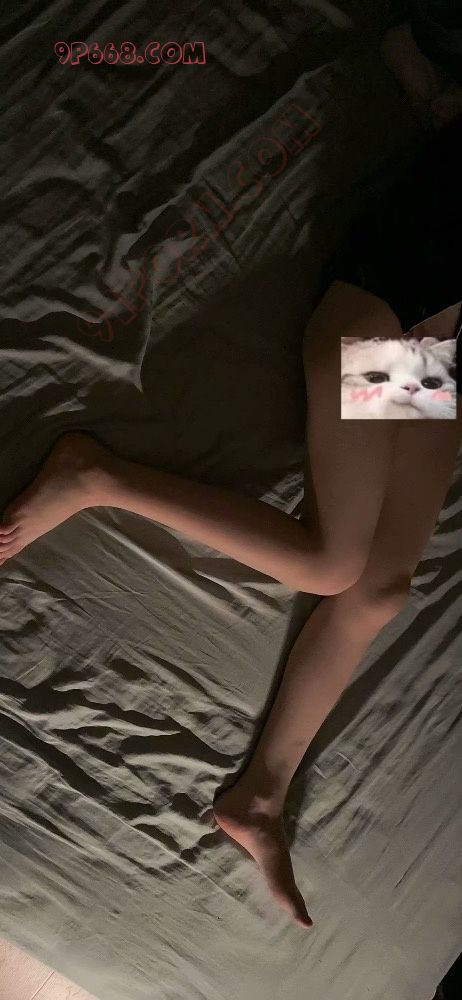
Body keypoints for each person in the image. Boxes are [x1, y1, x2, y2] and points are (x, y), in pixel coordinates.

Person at [0, 17, 461, 931]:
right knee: (333, 564)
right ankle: (93, 476)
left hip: (430, 349)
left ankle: (259, 798)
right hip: (388, 317)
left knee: (380, 590)